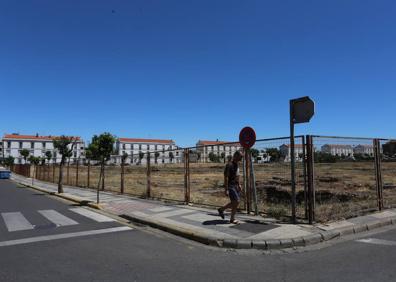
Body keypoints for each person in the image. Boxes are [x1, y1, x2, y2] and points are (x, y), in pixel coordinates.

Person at [218, 151, 243, 224]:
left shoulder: (236, 165)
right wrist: (226, 189)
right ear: (235, 156)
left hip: (235, 185)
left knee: (235, 203)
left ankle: (231, 218)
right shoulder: (229, 165)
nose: (241, 159)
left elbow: (237, 176)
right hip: (231, 186)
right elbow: (226, 177)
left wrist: (239, 184)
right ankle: (222, 210)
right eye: (240, 157)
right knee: (237, 201)